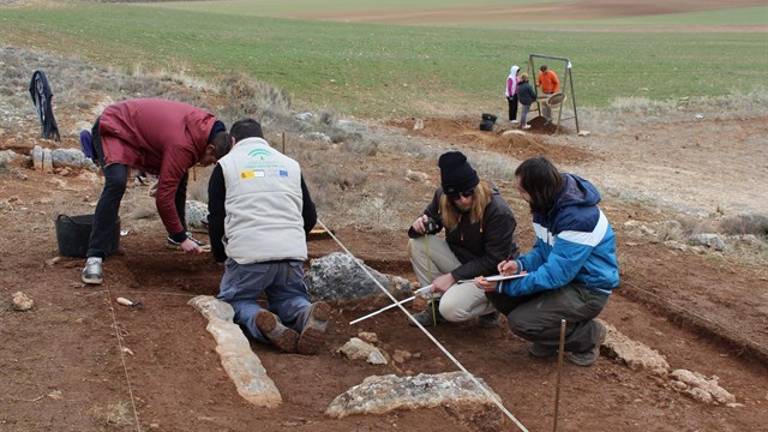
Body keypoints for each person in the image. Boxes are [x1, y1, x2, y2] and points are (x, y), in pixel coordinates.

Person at [475, 157, 619, 366]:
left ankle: (588, 336)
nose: (521, 195)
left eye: (523, 191)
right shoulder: (547, 205)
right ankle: (548, 335)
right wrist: (520, 265)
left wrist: (506, 284)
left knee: (521, 322)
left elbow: (556, 274)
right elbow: (544, 251)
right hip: (566, 281)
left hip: (587, 289)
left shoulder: (578, 219)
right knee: (498, 294)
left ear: (539, 190)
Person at [207, 118, 329, 355]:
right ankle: (306, 313)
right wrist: (291, 241)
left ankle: (260, 320)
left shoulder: (226, 165)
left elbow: (216, 218)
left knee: (236, 301)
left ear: (232, 141)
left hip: (248, 257)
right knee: (289, 296)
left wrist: (220, 254)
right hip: (290, 256)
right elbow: (310, 216)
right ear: (263, 138)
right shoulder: (290, 164)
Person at [81, 98, 229, 285]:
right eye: (213, 160)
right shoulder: (183, 143)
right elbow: (163, 199)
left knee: (179, 175)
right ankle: (94, 256)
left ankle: (175, 237)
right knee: (116, 182)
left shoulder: (203, 129)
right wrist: (183, 238)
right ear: (210, 148)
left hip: (139, 133)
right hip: (115, 126)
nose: (209, 165)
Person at [408, 151, 518, 327]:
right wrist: (419, 226)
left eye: (468, 193)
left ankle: (492, 306)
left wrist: (452, 277)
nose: (464, 200)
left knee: (450, 309)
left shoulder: (498, 212)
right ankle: (436, 305)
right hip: (461, 261)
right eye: (456, 197)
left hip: (491, 275)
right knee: (418, 244)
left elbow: (494, 259)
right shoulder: (442, 197)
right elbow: (431, 221)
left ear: (475, 186)